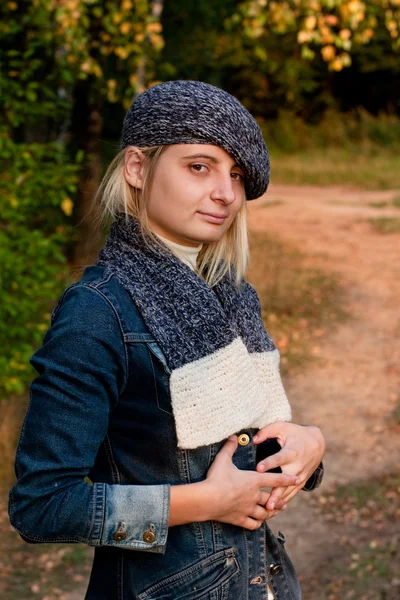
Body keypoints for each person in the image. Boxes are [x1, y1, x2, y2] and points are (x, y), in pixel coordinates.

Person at [9, 80, 325, 599]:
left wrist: (310, 444)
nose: (225, 192)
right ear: (137, 168)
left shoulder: (232, 296)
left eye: (236, 174)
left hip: (259, 581)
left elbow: (249, 447)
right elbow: (41, 506)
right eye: (200, 166)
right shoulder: (98, 312)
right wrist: (204, 502)